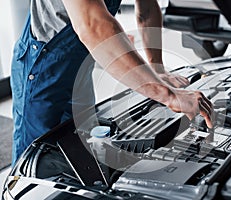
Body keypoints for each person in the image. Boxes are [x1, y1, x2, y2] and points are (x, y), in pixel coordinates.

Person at [10, 0, 213, 166]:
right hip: (44, 66)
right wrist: (166, 94)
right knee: (35, 161)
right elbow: (92, 25)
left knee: (80, 146)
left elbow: (148, 8)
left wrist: (157, 68)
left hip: (80, 65)